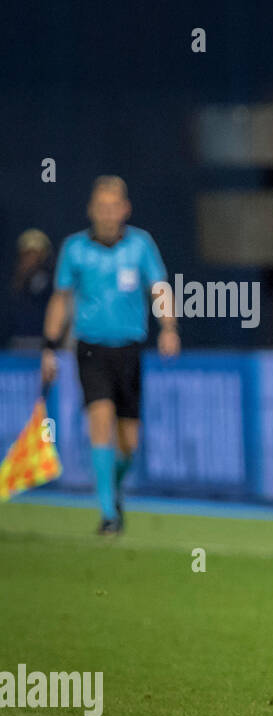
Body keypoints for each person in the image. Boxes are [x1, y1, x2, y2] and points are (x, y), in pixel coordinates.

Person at [41, 176, 178, 535]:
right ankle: (108, 515)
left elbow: (159, 287)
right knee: (100, 418)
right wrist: (49, 348)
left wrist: (168, 328)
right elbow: (61, 299)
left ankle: (113, 488)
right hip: (90, 348)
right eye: (100, 206)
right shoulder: (75, 249)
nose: (107, 213)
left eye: (113, 206)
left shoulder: (140, 246)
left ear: (125, 209)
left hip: (129, 350)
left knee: (129, 442)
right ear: (90, 210)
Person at [4, 229, 54, 348]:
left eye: (35, 253)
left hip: (37, 339)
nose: (30, 258)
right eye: (27, 253)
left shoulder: (46, 278)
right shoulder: (10, 276)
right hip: (15, 338)